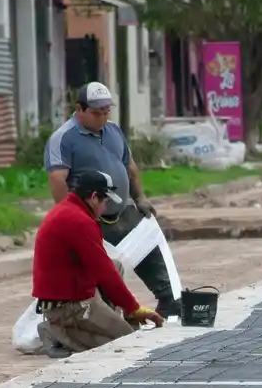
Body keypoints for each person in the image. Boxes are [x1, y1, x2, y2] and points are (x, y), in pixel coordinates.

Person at [44, 82, 181, 319]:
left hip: (122, 209)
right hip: (91, 218)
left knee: (149, 248)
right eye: (97, 113)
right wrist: (72, 218)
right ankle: (108, 314)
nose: (103, 117)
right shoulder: (63, 138)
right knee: (102, 269)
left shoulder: (114, 131)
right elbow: (58, 179)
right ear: (80, 109)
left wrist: (140, 197)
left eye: (106, 112)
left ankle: (169, 299)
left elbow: (130, 166)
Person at [32, 169, 164, 356]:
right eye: (105, 201)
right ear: (94, 197)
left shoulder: (69, 209)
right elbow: (104, 272)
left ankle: (97, 323)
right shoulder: (79, 221)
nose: (106, 208)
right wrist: (133, 308)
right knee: (125, 342)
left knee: (116, 265)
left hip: (73, 290)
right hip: (69, 306)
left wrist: (129, 310)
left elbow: (105, 267)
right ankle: (57, 333)